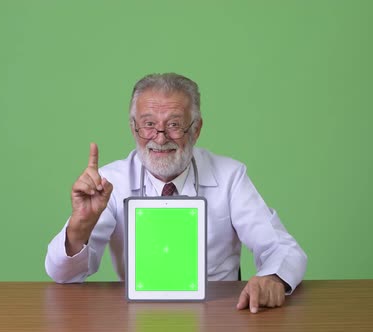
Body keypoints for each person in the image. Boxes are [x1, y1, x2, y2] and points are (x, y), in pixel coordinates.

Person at [45, 73, 307, 313]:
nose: (159, 138)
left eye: (174, 125)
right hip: (135, 316)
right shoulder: (110, 182)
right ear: (133, 127)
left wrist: (273, 279)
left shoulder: (230, 176)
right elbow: (62, 275)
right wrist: (79, 227)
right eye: (148, 124)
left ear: (196, 128)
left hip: (219, 314)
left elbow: (283, 248)